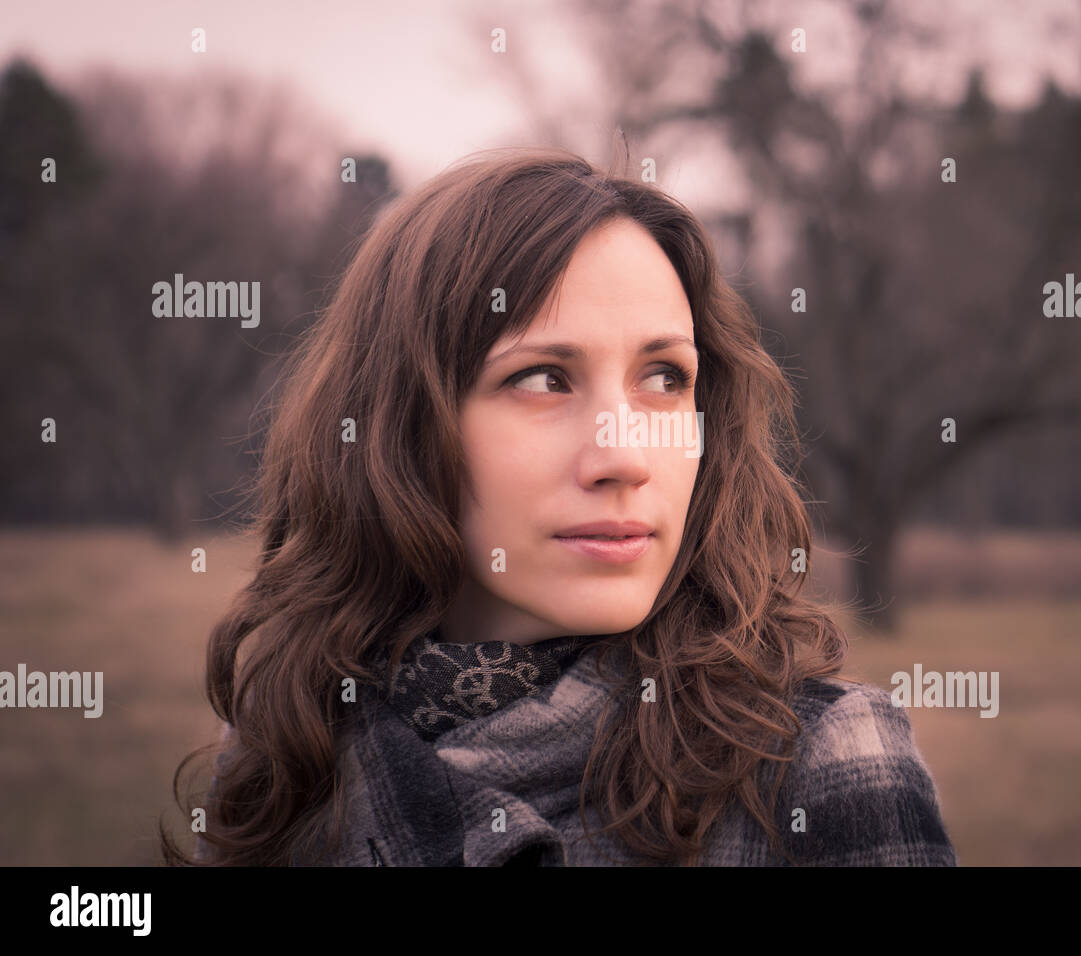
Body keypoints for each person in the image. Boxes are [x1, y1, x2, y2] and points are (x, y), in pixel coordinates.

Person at [161, 146, 957, 867]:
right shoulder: (286, 753)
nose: (623, 457)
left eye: (664, 378)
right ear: (396, 428)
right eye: (543, 378)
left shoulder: (815, 766)